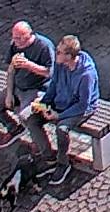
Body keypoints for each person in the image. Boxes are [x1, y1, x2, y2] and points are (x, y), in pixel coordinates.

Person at [26, 35, 100, 185]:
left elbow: (83, 105)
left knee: (62, 129)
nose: (55, 53)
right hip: (61, 101)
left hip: (80, 108)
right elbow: (53, 86)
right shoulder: (60, 65)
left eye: (59, 52)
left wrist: (59, 115)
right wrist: (43, 103)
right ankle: (48, 158)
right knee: (32, 120)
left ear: (69, 56)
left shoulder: (86, 75)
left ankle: (63, 163)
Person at [0, 21, 54, 147]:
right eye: (14, 37)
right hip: (18, 86)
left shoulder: (44, 46)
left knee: (25, 116)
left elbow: (50, 73)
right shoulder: (14, 45)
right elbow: (11, 71)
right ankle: (13, 128)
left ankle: (40, 146)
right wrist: (9, 93)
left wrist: (29, 65)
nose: (16, 41)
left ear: (29, 35)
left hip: (36, 89)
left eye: (19, 38)